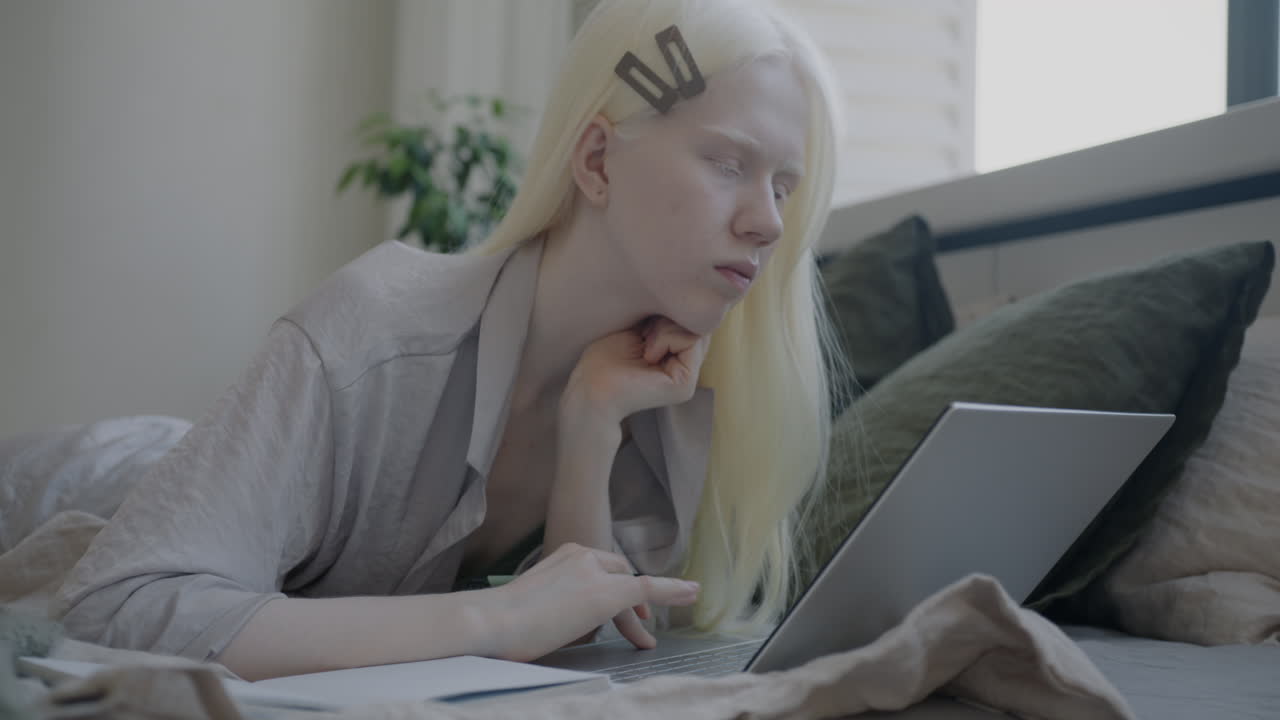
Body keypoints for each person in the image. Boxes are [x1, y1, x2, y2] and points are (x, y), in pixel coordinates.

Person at [46, 0, 846, 681]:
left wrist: (590, 431)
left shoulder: (665, 399)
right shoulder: (376, 335)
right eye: (727, 163)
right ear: (597, 159)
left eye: (783, 185)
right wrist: (490, 619)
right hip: (83, 483)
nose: (769, 222)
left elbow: (587, 668)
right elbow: (113, 608)